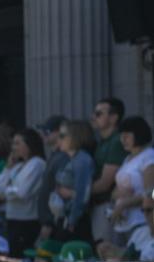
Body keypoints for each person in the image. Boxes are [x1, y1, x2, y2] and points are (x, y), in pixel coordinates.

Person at [0, 128, 48, 257]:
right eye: (13, 144)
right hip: (12, 220)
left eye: (17, 143)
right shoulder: (17, 166)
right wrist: (7, 168)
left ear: (29, 144)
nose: (13, 148)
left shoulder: (37, 164)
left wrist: (7, 191)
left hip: (27, 222)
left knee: (22, 258)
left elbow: (22, 192)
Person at [106, 116, 154, 248]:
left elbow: (150, 192)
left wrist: (124, 203)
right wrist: (117, 196)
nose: (123, 139)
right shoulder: (128, 158)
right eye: (121, 135)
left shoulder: (149, 157)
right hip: (121, 223)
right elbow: (117, 188)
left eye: (127, 135)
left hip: (140, 222)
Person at [47, 119, 95, 244]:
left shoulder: (82, 160)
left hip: (75, 221)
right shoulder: (70, 159)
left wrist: (72, 221)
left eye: (62, 136)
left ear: (75, 137)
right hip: (64, 217)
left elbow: (82, 194)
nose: (59, 139)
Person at [90, 97, 127, 245]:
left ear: (114, 118)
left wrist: (76, 193)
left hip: (109, 206)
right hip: (100, 206)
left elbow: (105, 183)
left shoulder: (116, 141)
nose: (94, 117)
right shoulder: (102, 141)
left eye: (99, 113)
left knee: (108, 253)